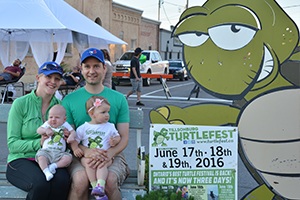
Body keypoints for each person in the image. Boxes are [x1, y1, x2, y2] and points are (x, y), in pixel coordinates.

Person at [62, 48, 130, 200]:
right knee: (80, 180)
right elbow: (70, 137)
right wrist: (86, 152)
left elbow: (124, 137)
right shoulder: (69, 100)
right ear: (81, 69)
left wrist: (108, 155)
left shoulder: (119, 99)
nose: (91, 71)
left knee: (110, 181)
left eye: (96, 66)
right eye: (87, 66)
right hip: (80, 153)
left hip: (112, 153)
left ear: (104, 68)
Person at [6, 61, 70, 200]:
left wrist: (67, 137)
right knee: (41, 184)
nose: (53, 82)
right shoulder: (21, 103)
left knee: (62, 182)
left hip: (52, 158)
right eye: (48, 77)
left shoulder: (60, 107)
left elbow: (67, 137)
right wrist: (39, 143)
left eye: (57, 79)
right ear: (38, 78)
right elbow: (12, 144)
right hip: (22, 159)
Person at [71, 96, 121, 200]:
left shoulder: (110, 126)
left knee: (101, 164)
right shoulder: (83, 128)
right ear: (92, 114)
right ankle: (96, 190)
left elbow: (118, 136)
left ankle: (100, 187)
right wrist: (75, 148)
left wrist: (115, 140)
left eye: (108, 112)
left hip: (105, 156)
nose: (107, 115)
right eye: (103, 112)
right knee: (89, 164)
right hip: (88, 157)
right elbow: (75, 140)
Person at [36, 104, 76, 181]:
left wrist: (71, 136)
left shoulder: (65, 125)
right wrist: (45, 130)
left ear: (64, 119)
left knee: (68, 158)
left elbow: (73, 132)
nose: (53, 119)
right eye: (51, 117)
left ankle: (54, 166)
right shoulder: (47, 124)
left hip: (60, 153)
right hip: (46, 152)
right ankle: (46, 172)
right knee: (41, 157)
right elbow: (38, 130)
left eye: (57, 117)